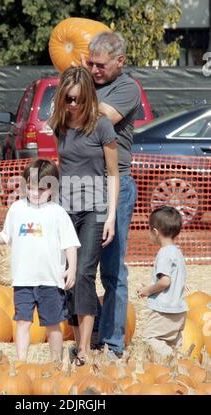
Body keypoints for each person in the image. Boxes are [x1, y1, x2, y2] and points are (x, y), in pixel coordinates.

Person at [49, 66, 119, 365]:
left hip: (95, 209)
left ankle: (85, 350)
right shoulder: (60, 126)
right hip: (66, 212)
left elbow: (113, 174)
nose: (73, 105)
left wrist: (111, 217)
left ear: (88, 98)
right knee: (67, 277)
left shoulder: (102, 127)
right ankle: (78, 343)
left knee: (84, 274)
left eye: (78, 100)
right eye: (68, 100)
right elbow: (63, 167)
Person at [0, 158, 80, 361]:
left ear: (52, 188)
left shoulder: (57, 213)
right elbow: (6, 236)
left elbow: (70, 243)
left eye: (41, 190)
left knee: (53, 324)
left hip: (50, 280)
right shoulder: (16, 209)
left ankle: (55, 362)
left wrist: (72, 269)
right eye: (31, 188)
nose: (35, 193)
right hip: (23, 280)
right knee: (23, 322)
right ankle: (21, 362)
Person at [84, 32, 141, 358]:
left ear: (120, 61)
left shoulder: (127, 88)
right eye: (89, 64)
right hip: (82, 183)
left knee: (113, 270)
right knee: (82, 268)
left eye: (100, 64)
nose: (94, 70)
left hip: (113, 185)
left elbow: (101, 117)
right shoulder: (88, 83)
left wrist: (77, 93)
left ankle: (113, 344)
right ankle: (90, 334)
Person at [136, 206, 188, 358]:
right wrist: (151, 286)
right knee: (174, 341)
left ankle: (173, 358)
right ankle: (183, 366)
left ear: (155, 232)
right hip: (179, 309)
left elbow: (165, 281)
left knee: (149, 338)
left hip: (165, 310)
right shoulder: (177, 252)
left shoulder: (164, 253)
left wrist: (148, 291)